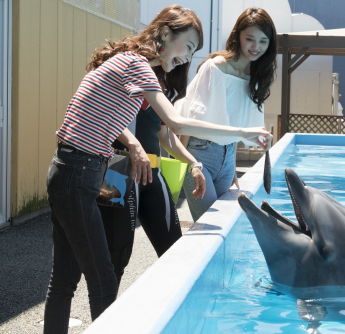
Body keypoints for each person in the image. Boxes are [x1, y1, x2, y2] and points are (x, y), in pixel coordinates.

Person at [44, 5, 272, 333]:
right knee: (104, 276)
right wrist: (243, 133)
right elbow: (176, 122)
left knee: (65, 280)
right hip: (82, 172)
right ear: (166, 33)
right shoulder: (136, 65)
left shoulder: (135, 67)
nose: (188, 57)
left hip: (75, 170)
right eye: (189, 46)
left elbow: (147, 126)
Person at [176, 7, 277, 222]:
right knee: (208, 225)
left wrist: (229, 160)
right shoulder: (214, 68)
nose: (255, 47)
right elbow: (188, 117)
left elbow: (236, 123)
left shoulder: (256, 76)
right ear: (237, 35)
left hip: (228, 157)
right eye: (249, 38)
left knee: (220, 225)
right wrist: (185, 165)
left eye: (263, 41)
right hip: (200, 153)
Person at [99, 99, 206, 287]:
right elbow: (105, 120)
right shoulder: (114, 78)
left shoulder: (155, 89)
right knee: (116, 257)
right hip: (117, 172)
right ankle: (104, 315)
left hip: (153, 172)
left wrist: (193, 164)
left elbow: (166, 137)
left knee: (173, 250)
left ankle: (171, 312)